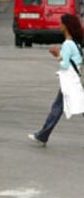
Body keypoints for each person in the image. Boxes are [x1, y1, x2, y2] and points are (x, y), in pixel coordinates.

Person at [28, 14, 84, 146]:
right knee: (61, 107)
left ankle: (42, 136)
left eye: (61, 23)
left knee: (58, 107)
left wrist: (57, 55)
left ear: (66, 26)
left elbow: (64, 64)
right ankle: (42, 135)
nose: (59, 25)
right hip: (73, 80)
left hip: (69, 81)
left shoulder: (68, 44)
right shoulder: (76, 43)